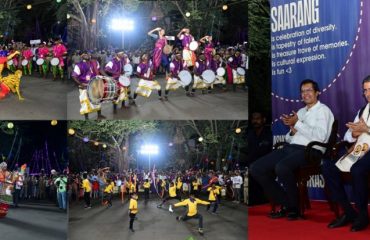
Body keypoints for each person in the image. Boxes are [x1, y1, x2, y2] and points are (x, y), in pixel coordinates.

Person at [250, 79, 334, 220]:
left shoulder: (323, 111)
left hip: (311, 151)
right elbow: (290, 138)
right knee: (256, 168)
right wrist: (292, 131)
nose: (305, 93)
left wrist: (298, 124)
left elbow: (320, 137)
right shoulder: (300, 112)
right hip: (291, 148)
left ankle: (294, 208)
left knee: (281, 167)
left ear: (317, 93)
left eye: (309, 90)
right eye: (302, 91)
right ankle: (288, 203)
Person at [321, 75, 370, 232]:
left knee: (357, 169)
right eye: (365, 91)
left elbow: (365, 130)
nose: (367, 94)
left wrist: (366, 130)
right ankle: (348, 212)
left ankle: (362, 214)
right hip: (360, 149)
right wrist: (355, 134)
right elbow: (349, 135)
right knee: (328, 167)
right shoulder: (363, 110)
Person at [247, 112, 273, 205]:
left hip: (266, 165)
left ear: (263, 120)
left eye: (258, 119)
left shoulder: (270, 133)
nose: (255, 121)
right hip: (252, 165)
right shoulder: (250, 134)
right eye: (253, 119)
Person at [71, 52, 105, 119]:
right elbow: (74, 76)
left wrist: (104, 77)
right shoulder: (79, 65)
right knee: (85, 102)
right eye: (85, 54)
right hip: (85, 86)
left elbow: (99, 70)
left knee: (97, 100)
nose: (87, 55)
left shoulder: (95, 63)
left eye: (88, 54)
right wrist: (81, 84)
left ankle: (99, 115)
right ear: (82, 56)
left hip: (94, 84)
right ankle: (86, 118)